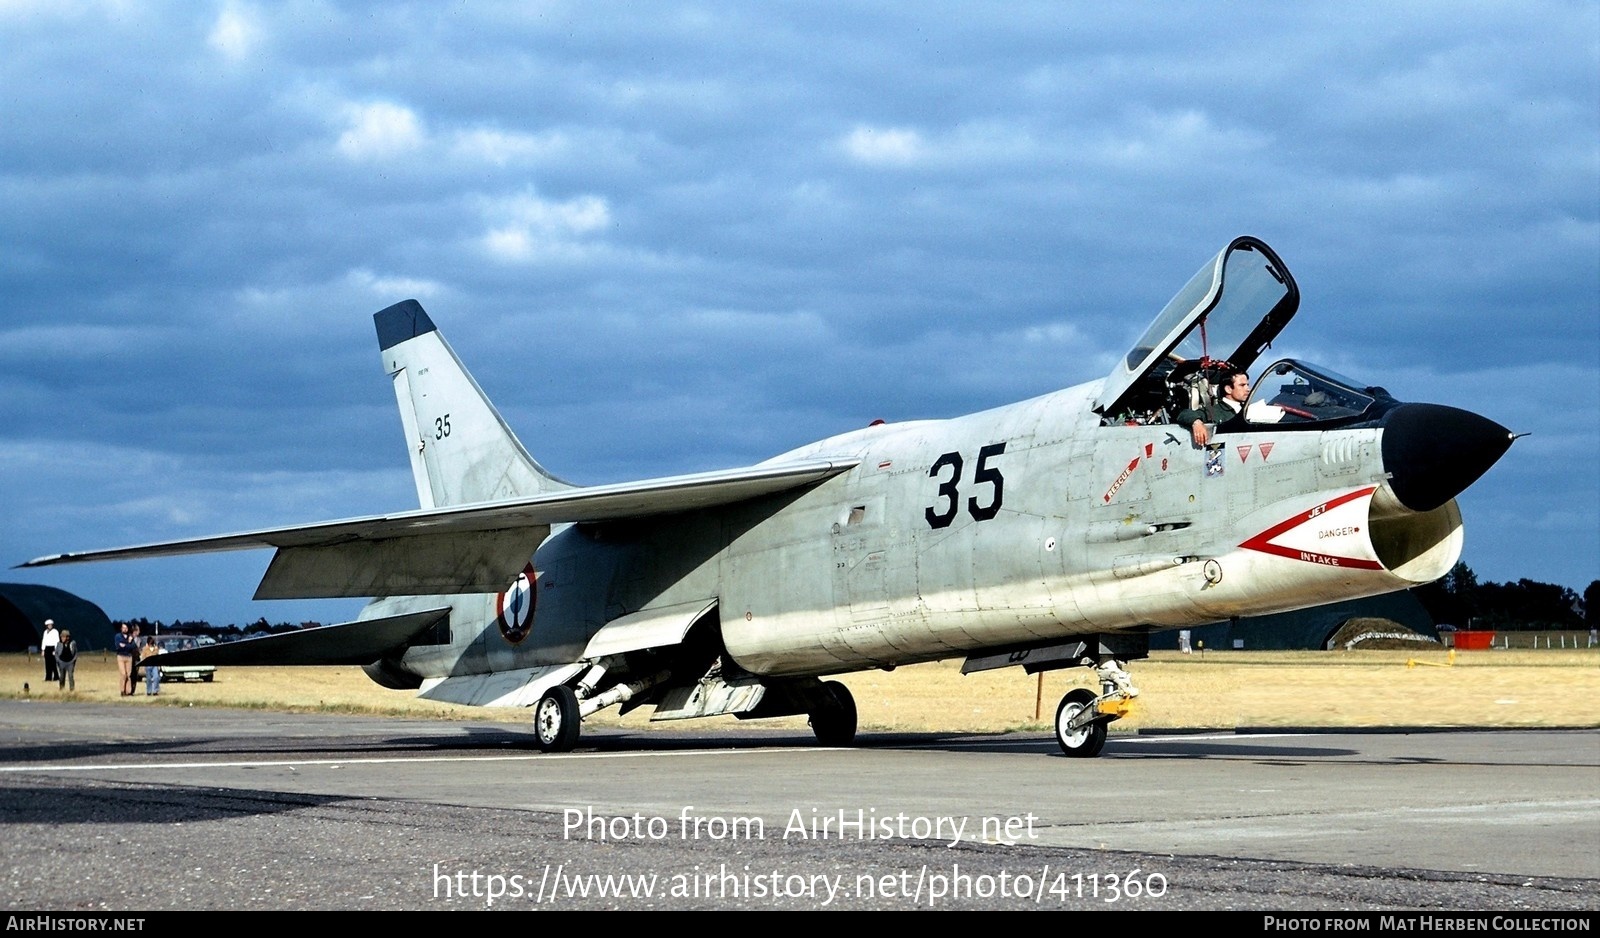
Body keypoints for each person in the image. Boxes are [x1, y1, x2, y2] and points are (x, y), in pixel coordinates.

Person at [1177, 368, 1251, 446]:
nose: (1248, 389)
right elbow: (1184, 414)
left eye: (1247, 385)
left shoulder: (1249, 411)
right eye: (1242, 385)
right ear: (1228, 389)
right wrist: (1196, 422)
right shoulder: (1213, 411)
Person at [114, 622, 136, 697]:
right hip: (121, 656)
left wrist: (125, 644)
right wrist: (128, 643)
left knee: (128, 674)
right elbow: (118, 646)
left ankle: (128, 691)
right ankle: (122, 690)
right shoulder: (118, 636)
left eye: (126, 628)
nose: (125, 629)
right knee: (123, 674)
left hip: (129, 656)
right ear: (121, 628)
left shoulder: (130, 636)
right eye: (123, 628)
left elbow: (133, 646)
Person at [41, 619, 60, 683]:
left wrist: (55, 650)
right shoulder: (45, 632)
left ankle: (56, 676)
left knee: (53, 663)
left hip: (52, 648)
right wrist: (43, 650)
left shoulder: (55, 632)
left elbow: (56, 641)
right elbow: (44, 641)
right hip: (47, 648)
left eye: (51, 625)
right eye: (48, 625)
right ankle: (48, 677)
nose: (50, 626)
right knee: (47, 663)